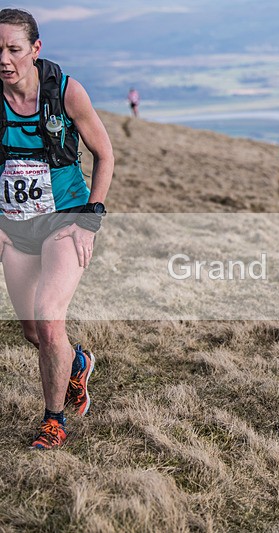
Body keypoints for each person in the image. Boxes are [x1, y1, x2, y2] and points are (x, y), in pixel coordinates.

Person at [0, 9, 114, 449]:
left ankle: (54, 420)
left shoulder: (66, 92)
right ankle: (78, 361)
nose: (5, 59)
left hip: (64, 221)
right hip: (15, 229)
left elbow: (105, 155)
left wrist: (89, 220)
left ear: (35, 49)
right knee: (33, 331)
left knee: (49, 320)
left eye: (14, 49)